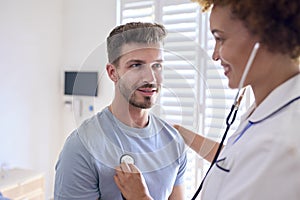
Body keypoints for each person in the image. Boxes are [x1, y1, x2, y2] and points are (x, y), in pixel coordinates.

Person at [113, 0, 300, 199]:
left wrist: (141, 197)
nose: (214, 55)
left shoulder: (281, 143)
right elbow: (234, 158)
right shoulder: (270, 109)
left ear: (264, 35)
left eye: (220, 39)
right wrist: (179, 133)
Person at [54, 22, 187, 200]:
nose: (150, 77)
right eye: (136, 65)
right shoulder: (81, 147)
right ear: (112, 72)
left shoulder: (174, 142)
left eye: (157, 65)